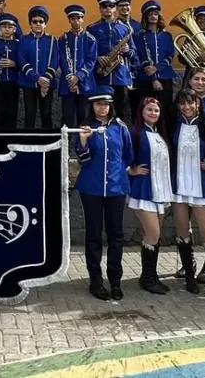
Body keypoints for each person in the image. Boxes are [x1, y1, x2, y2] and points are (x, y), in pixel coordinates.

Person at [71, 86, 133, 301]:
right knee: (94, 235)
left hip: (116, 187)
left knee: (116, 235)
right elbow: (83, 159)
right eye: (99, 104)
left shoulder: (120, 127)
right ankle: (95, 281)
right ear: (92, 106)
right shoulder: (85, 128)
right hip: (92, 188)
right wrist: (84, 142)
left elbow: (127, 156)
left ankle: (115, 280)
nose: (103, 107)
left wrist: (119, 176)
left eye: (106, 104)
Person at [169, 89, 205, 299]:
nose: (186, 107)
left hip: (201, 186)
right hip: (180, 187)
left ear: (198, 105)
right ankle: (189, 276)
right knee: (182, 230)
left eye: (190, 103)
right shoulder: (174, 126)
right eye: (182, 104)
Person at [127, 97, 173, 295]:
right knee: (153, 233)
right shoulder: (134, 133)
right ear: (142, 111)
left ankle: (150, 275)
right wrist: (131, 170)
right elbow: (121, 157)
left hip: (160, 190)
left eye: (156, 110)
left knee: (154, 235)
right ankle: (148, 278)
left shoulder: (160, 134)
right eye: (149, 109)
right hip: (143, 189)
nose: (153, 113)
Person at [88, 0, 136, 124]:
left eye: (111, 6)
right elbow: (88, 51)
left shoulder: (125, 28)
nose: (108, 9)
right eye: (104, 6)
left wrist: (128, 50)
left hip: (120, 77)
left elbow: (133, 52)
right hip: (101, 75)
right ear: (100, 9)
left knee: (120, 112)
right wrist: (97, 57)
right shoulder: (92, 28)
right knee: (99, 112)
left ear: (115, 8)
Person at [134, 0, 175, 132]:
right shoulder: (140, 36)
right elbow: (141, 57)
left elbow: (170, 55)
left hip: (165, 77)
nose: (153, 16)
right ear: (145, 17)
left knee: (166, 111)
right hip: (146, 79)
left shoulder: (167, 35)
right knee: (145, 111)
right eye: (150, 14)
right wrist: (153, 79)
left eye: (155, 14)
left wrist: (157, 68)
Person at [58, 4, 96, 131]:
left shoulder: (90, 39)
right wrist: (70, 78)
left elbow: (91, 60)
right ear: (69, 20)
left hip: (85, 84)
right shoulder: (63, 39)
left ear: (83, 19)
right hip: (67, 84)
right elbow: (62, 59)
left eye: (78, 18)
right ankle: (66, 146)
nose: (76, 21)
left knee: (84, 117)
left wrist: (78, 77)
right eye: (73, 18)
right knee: (67, 116)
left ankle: (82, 147)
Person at [19, 6, 57, 131]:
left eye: (41, 21)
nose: (38, 24)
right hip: (29, 83)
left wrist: (45, 79)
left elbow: (55, 60)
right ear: (30, 23)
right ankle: (28, 144)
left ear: (45, 24)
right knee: (29, 114)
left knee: (46, 114)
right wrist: (36, 78)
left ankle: (49, 144)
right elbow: (21, 59)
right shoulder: (24, 40)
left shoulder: (52, 40)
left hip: (47, 83)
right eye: (34, 21)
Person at [0, 13, 21, 130]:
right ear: (0, 28)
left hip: (13, 84)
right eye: (4, 27)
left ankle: (9, 144)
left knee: (11, 114)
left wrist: (14, 64)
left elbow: (24, 64)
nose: (7, 29)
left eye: (10, 27)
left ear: (15, 29)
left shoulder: (18, 45)